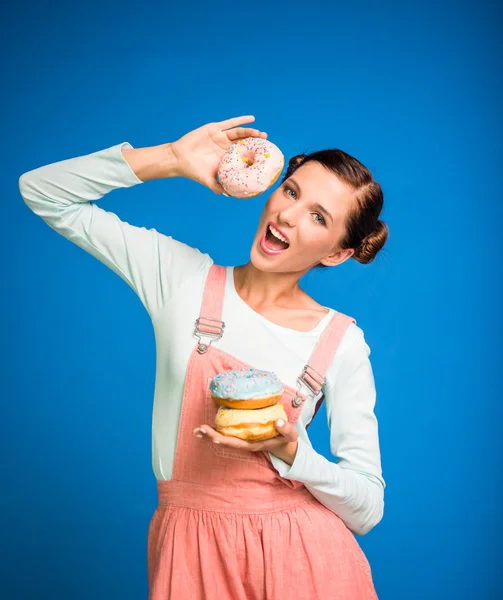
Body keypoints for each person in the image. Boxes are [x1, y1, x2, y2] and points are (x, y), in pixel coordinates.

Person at [19, 115, 387, 599]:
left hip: (305, 563)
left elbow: (367, 509)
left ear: (337, 254)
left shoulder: (339, 341)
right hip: (188, 554)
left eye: (320, 217)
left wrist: (292, 452)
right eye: (292, 192)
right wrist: (170, 158)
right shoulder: (182, 279)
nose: (289, 217)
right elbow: (41, 191)